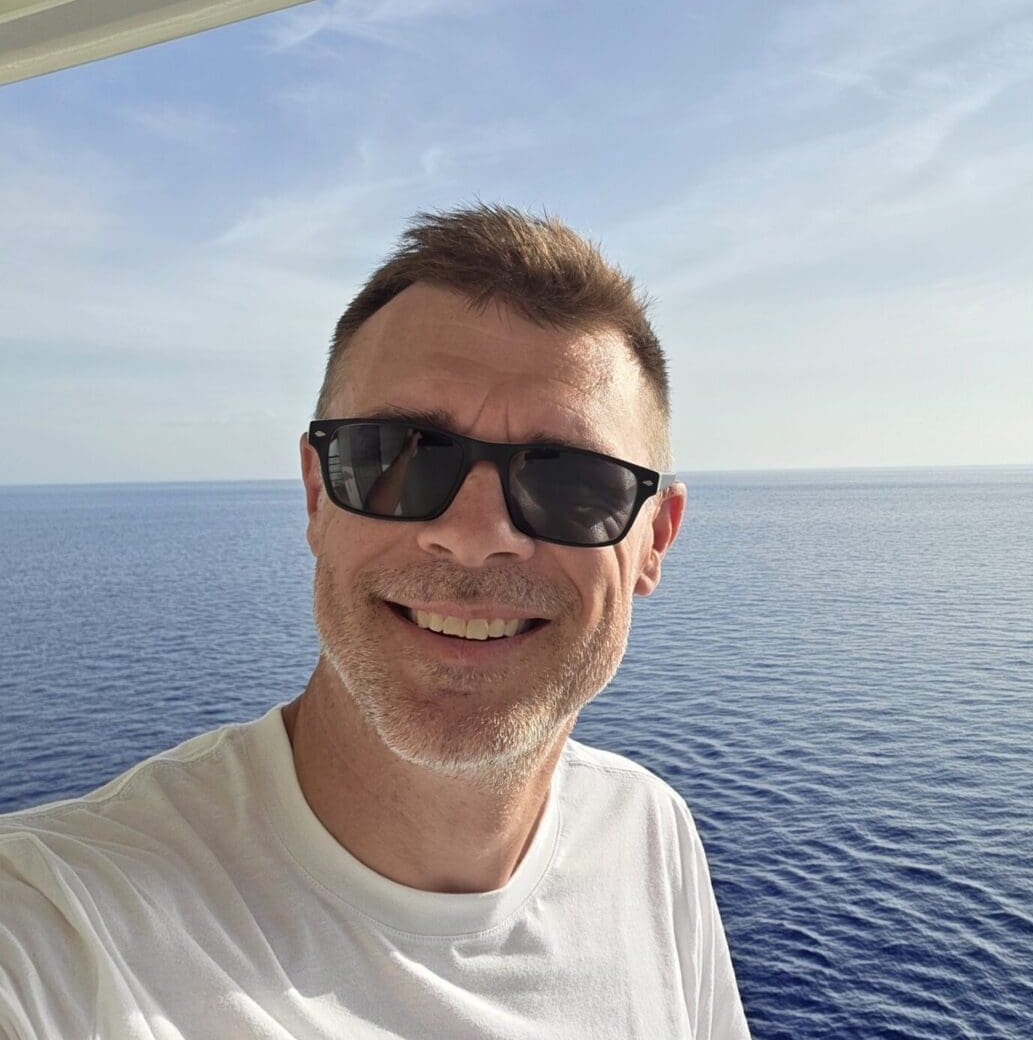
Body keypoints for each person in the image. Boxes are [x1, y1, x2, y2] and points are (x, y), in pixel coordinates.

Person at [0, 205, 751, 1039]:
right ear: (317, 495)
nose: (474, 537)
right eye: (398, 455)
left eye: (574, 481)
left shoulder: (647, 835)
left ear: (655, 541)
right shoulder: (57, 932)